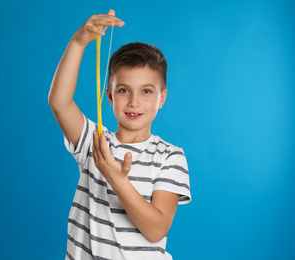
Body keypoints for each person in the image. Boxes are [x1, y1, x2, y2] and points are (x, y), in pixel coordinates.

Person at [48, 9, 191, 260]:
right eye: (124, 90)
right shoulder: (95, 140)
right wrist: (78, 42)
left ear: (162, 99)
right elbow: (59, 102)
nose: (134, 102)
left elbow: (156, 229)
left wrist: (118, 180)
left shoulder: (170, 157)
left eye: (146, 91)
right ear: (110, 96)